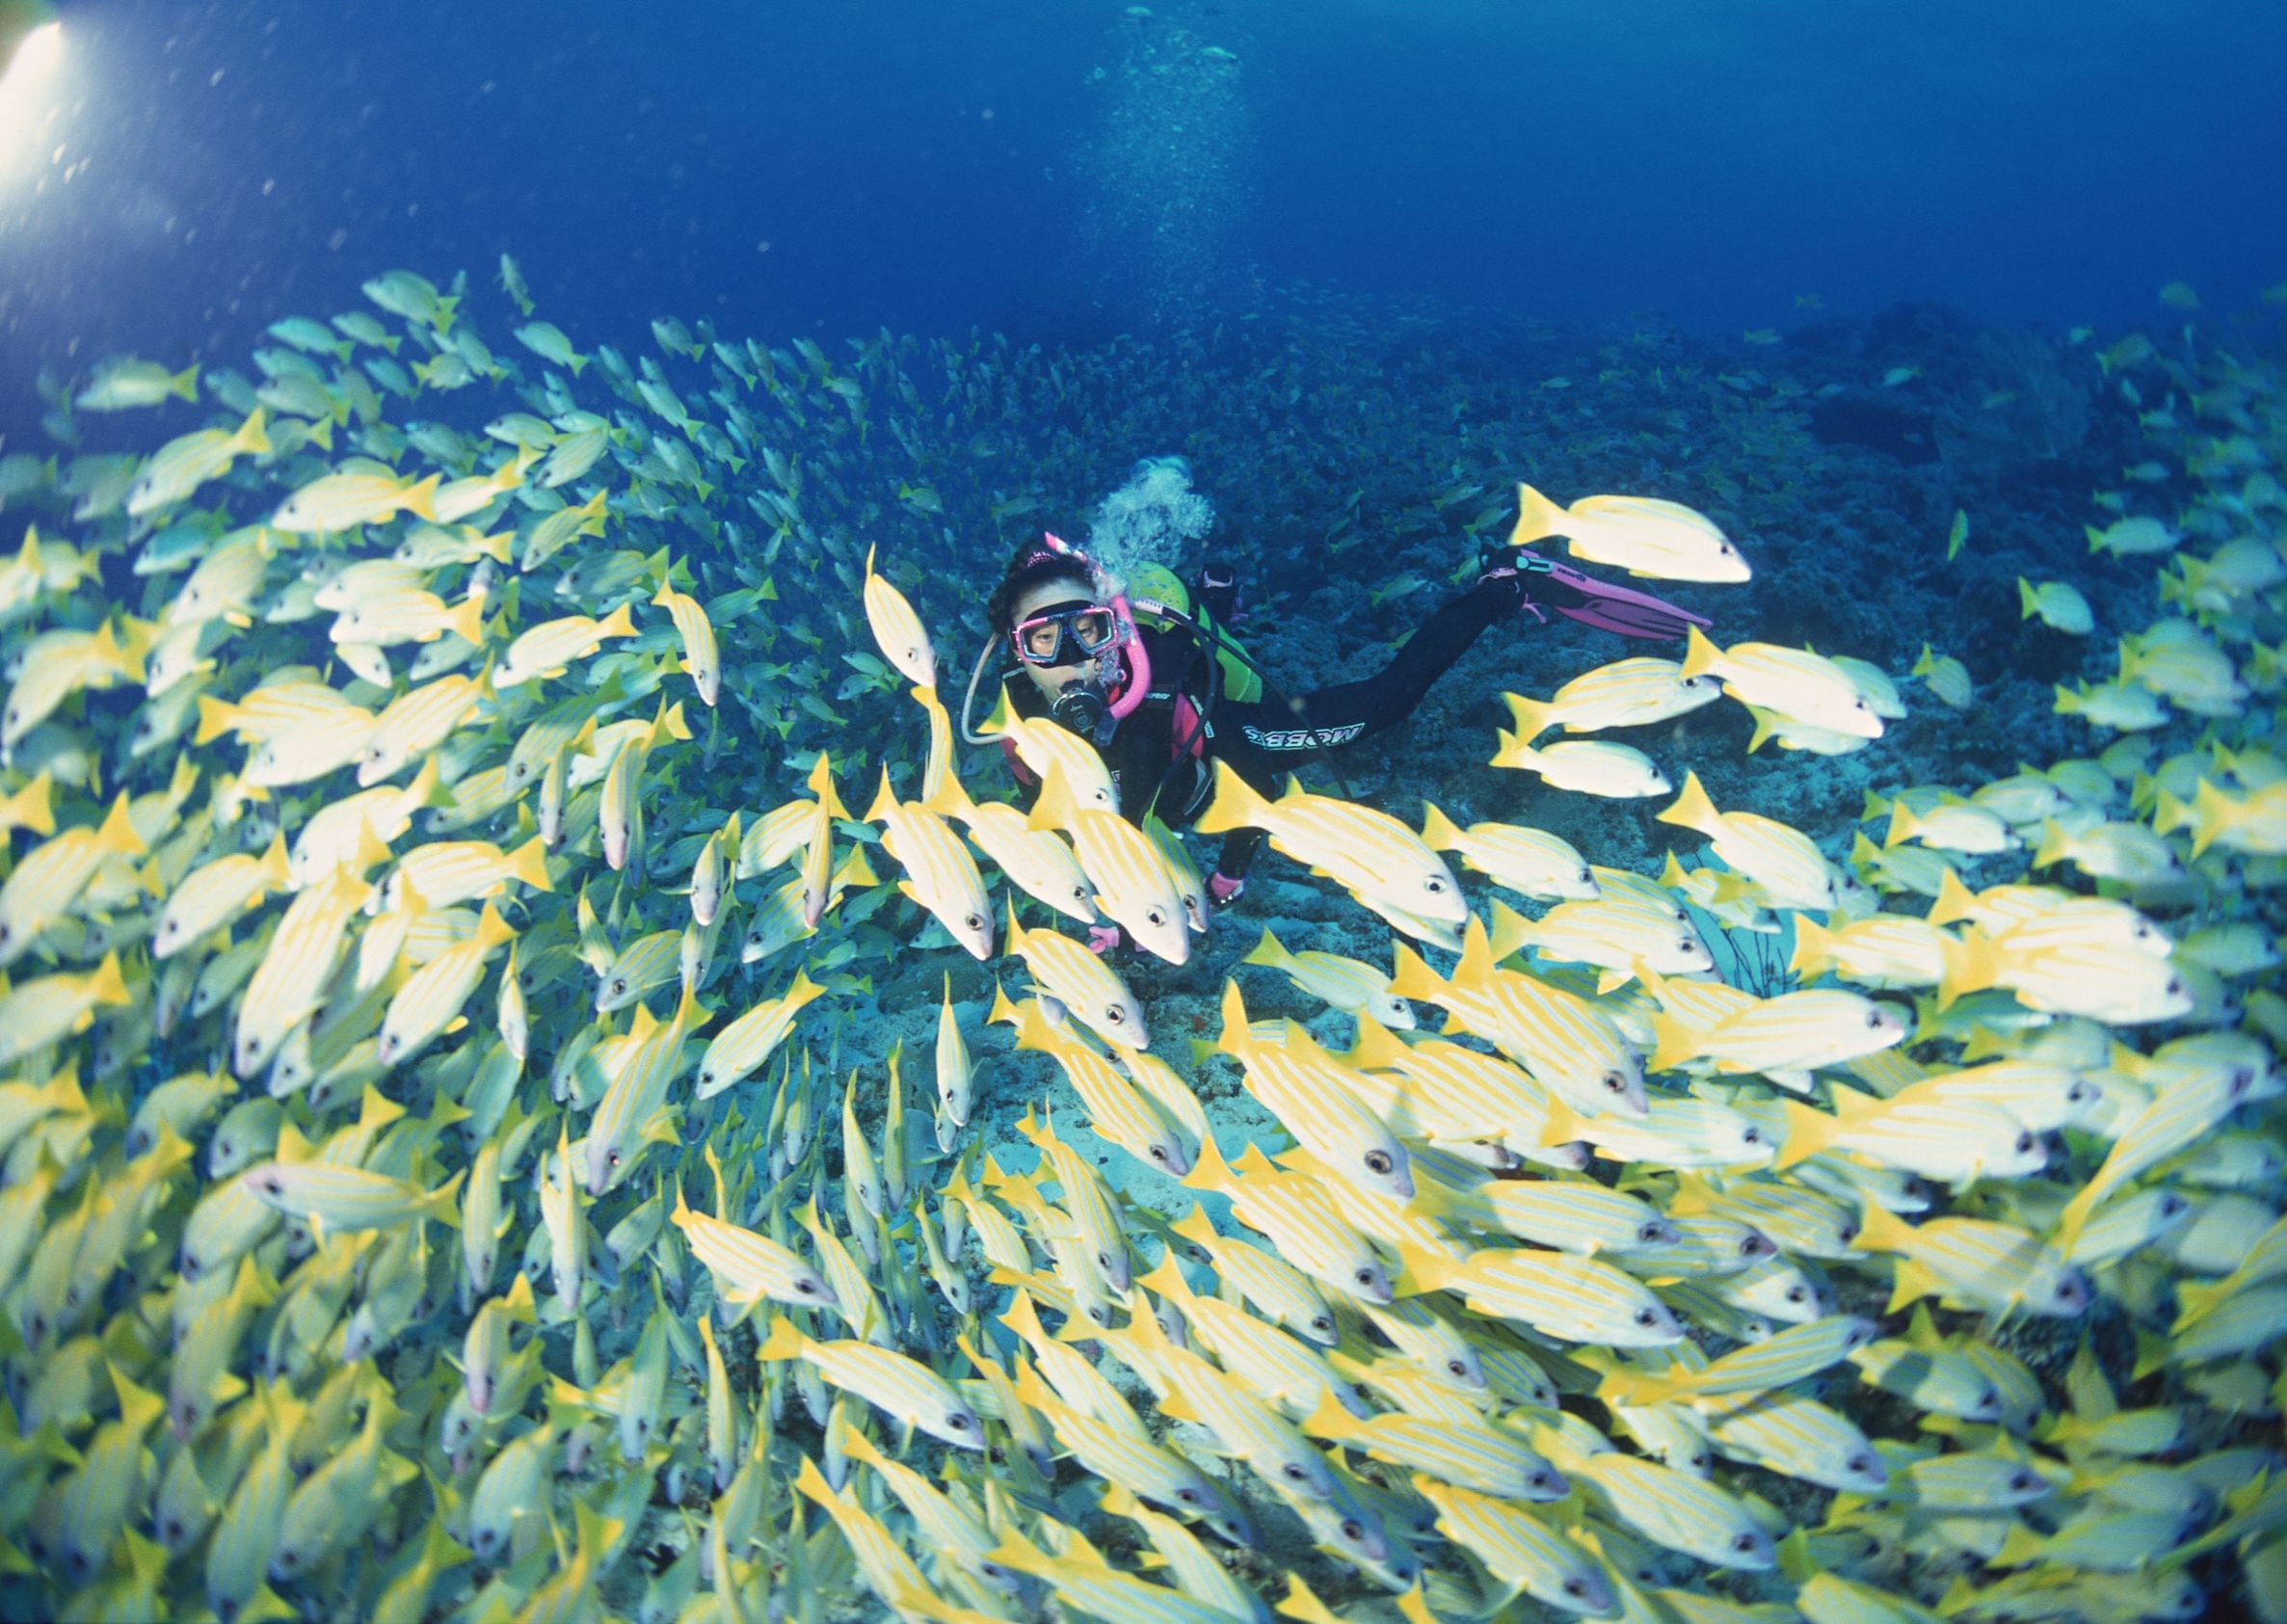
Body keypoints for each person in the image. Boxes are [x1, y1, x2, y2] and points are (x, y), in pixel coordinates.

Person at [958, 526, 1710, 937]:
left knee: (1381, 707)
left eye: (1087, 629)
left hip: (1210, 712)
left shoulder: (1186, 700)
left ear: (1117, 622)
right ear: (1017, 659)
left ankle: (1501, 585)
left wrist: (1230, 870)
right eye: (1043, 644)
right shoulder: (1021, 733)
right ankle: (1217, 596)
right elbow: (1072, 838)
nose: (1074, 664)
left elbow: (1260, 785)